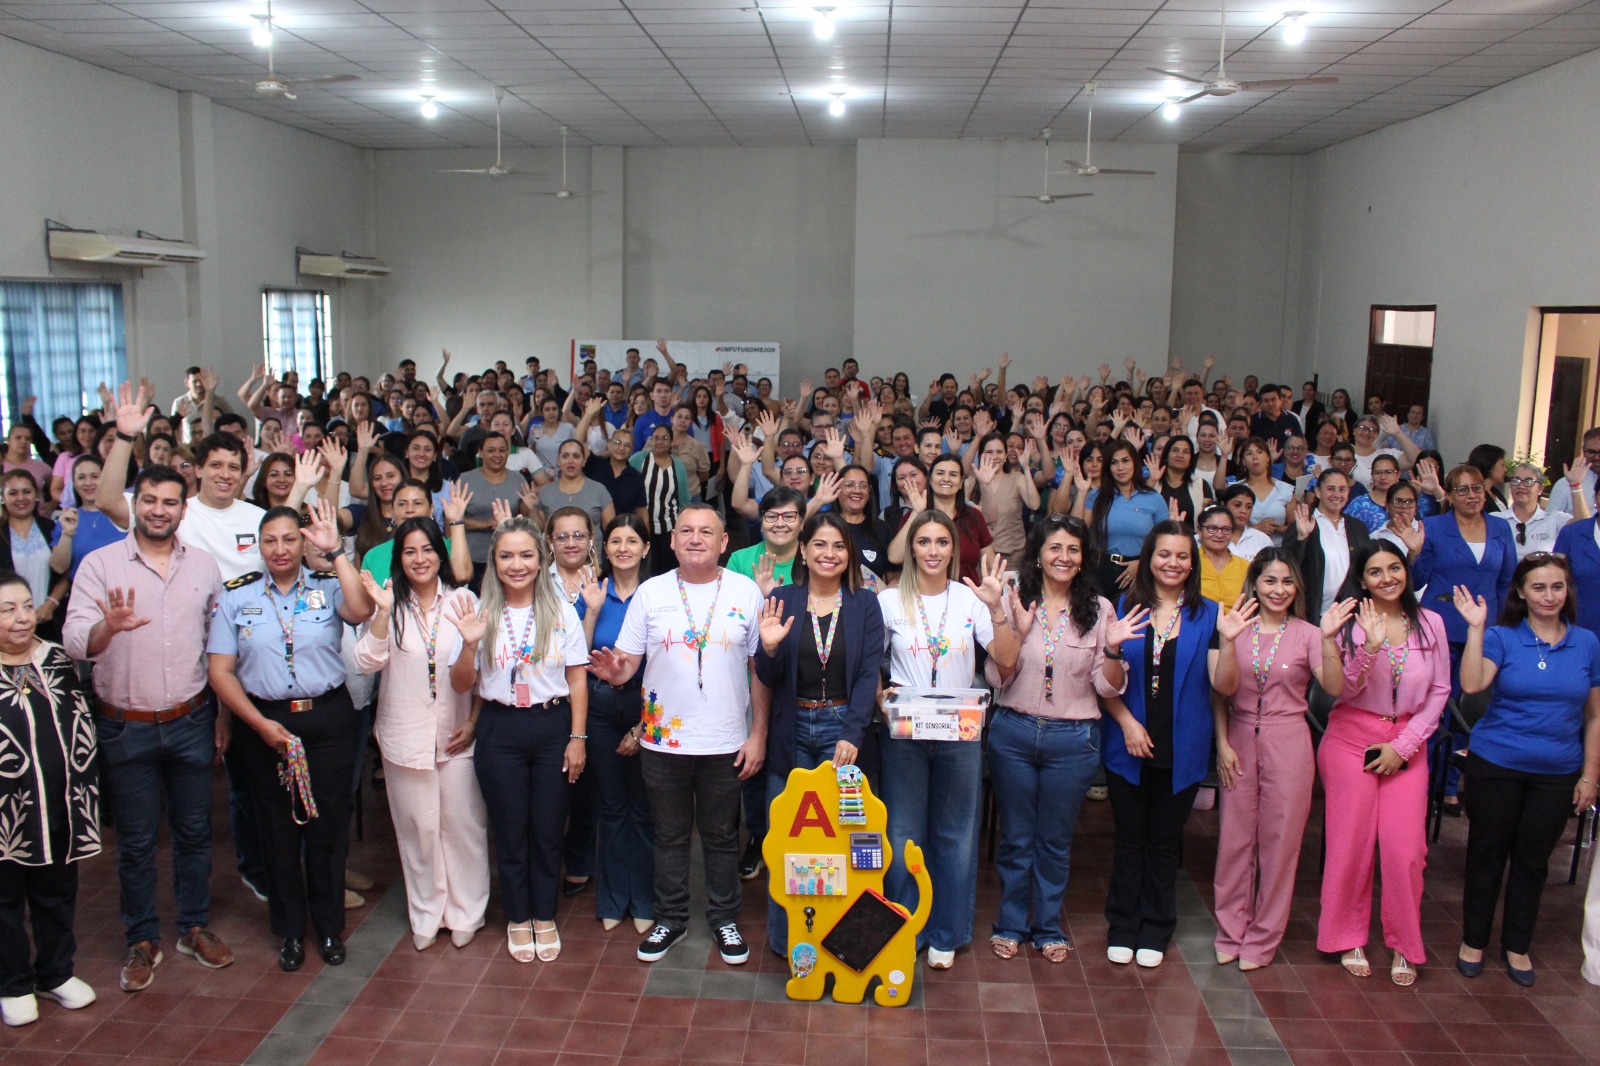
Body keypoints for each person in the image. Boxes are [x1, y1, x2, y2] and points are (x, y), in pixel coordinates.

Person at [61, 462, 234, 993]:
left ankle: (193, 926)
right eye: (150, 500)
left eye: (170, 502)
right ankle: (141, 937)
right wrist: (105, 628)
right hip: (125, 726)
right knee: (135, 842)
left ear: (185, 509)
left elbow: (220, 645)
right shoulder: (100, 564)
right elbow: (72, 641)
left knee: (194, 834)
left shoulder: (204, 567)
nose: (159, 510)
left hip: (191, 719)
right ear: (137, 504)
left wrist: (224, 712)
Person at [588, 504, 768, 965]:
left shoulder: (746, 591)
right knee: (669, 835)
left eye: (706, 532)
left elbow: (759, 671)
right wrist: (614, 672)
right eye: (685, 531)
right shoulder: (651, 593)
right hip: (662, 741)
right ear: (671, 542)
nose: (695, 539)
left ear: (724, 542)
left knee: (721, 836)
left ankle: (724, 918)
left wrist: (758, 734)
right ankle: (670, 917)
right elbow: (626, 662)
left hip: (726, 739)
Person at [207, 502, 374, 972]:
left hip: (327, 721)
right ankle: (289, 931)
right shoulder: (237, 595)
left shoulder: (326, 585)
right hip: (263, 722)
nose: (280, 549)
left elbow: (361, 610)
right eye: (270, 540)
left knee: (326, 829)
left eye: (289, 539)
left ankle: (327, 927)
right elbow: (220, 671)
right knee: (276, 832)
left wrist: (335, 551)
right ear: (258, 546)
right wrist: (258, 725)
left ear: (303, 544)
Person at [984, 515, 1138, 963]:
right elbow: (998, 674)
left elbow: (1107, 687)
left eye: (1073, 549)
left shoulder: (1101, 609)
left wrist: (1111, 649)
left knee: (1053, 840)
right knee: (1016, 839)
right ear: (1038, 553)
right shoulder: (1013, 599)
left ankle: (1047, 926)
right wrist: (1017, 630)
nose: (1063, 557)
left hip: (1073, 739)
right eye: (1055, 548)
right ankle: (1011, 923)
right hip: (1013, 731)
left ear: (1083, 556)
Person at [878, 511, 1017, 969]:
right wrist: (881, 697)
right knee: (901, 833)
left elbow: (1007, 660)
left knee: (955, 835)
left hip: (959, 732)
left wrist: (996, 607)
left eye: (942, 542)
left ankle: (946, 931)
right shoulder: (888, 601)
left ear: (954, 549)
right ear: (911, 548)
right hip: (903, 733)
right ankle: (902, 926)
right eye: (924, 542)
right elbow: (867, 666)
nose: (933, 551)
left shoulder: (971, 599)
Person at [1453, 557, 1600, 986]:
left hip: (1557, 772)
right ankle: (1473, 941)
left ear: (1567, 591)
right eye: (1539, 588)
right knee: (1487, 854)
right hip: (1497, 763)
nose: (1549, 596)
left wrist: (1590, 775)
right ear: (1521, 592)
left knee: (1534, 862)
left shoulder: (1587, 642)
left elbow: (1594, 717)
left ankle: (1517, 945)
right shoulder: (1502, 636)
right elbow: (1472, 684)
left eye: (1557, 587)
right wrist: (1476, 629)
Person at [1210, 550, 1352, 970]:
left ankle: (1262, 938)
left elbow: (1334, 686)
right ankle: (1230, 931)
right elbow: (1222, 689)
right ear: (1254, 583)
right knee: (1235, 839)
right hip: (1237, 736)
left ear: (1298, 588)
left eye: (1287, 582)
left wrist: (1328, 640)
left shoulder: (1309, 633)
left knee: (1280, 842)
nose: (1278, 590)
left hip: (1289, 738)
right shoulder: (1234, 624)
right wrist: (1221, 743)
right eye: (1269, 581)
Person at [354, 518, 490, 953]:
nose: (420, 559)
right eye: (410, 552)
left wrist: (469, 647)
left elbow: (473, 678)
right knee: (418, 831)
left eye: (428, 549)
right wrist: (379, 613)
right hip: (404, 735)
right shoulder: (388, 604)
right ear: (399, 559)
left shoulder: (463, 600)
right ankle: (427, 913)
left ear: (441, 553)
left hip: (455, 735)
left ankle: (467, 912)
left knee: (463, 827)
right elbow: (365, 663)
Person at [753, 513, 885, 955]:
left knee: (846, 838)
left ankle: (840, 939)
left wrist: (853, 732)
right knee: (787, 837)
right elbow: (769, 675)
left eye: (839, 546)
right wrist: (768, 647)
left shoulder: (865, 604)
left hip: (842, 731)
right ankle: (786, 938)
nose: (829, 554)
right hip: (791, 729)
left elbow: (868, 675)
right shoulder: (784, 599)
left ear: (849, 555)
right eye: (820, 545)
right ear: (804, 551)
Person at [1317, 543, 1448, 986]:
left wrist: (1405, 746)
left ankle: (1404, 943)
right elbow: (1344, 689)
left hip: (1406, 744)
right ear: (1362, 579)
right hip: (1351, 739)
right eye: (1375, 571)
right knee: (1350, 845)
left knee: (1405, 849)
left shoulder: (1431, 623)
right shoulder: (1349, 623)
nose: (1387, 577)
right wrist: (1369, 647)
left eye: (1395, 567)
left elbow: (1441, 692)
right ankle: (1347, 935)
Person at [1098, 520, 1219, 968]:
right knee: (1130, 839)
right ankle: (1123, 925)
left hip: (1182, 747)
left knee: (1165, 842)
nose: (1173, 563)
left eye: (1182, 555)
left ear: (1193, 563)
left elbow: (1222, 685)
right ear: (1149, 558)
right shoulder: (1124, 606)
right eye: (1164, 554)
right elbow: (1103, 681)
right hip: (1126, 743)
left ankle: (1156, 927)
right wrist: (1127, 723)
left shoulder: (1210, 614)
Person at [472, 514, 589, 963]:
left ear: (541, 560)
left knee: (546, 828)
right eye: (506, 556)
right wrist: (467, 645)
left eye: (525, 555)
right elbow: (467, 682)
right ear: (494, 562)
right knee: (510, 828)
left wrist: (577, 737)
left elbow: (577, 679)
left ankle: (544, 914)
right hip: (500, 728)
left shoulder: (560, 611)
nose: (516, 565)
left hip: (551, 728)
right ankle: (518, 916)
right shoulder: (480, 611)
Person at [0, 571, 101, 1027]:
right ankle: (13, 983)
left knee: (57, 892)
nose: (22, 619)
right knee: (4, 900)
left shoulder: (57, 658)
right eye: (7, 611)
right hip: (6, 815)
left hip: (60, 805)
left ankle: (56, 972)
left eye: (26, 606)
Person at [1409, 463, 1518, 814]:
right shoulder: (1435, 527)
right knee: (1433, 708)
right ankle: (1421, 782)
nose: (1472, 496)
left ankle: (1451, 784)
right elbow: (1415, 580)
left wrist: (1501, 629)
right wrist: (1413, 551)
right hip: (1438, 631)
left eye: (1477, 488)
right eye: (1463, 490)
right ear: (1450, 497)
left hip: (1481, 635)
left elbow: (1507, 582)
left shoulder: (1500, 527)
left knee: (1468, 711)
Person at [575, 514, 655, 935]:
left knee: (643, 810)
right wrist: (590, 611)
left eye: (632, 541)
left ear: (645, 548)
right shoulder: (592, 593)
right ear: (604, 549)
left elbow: (667, 665)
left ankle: (644, 899)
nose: (623, 548)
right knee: (611, 807)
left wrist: (643, 727)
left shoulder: (660, 593)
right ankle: (612, 899)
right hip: (602, 707)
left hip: (649, 709)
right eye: (615, 541)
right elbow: (577, 656)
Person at [1075, 440, 1166, 597]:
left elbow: (1164, 540)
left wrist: (1142, 564)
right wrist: (1082, 493)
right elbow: (1077, 530)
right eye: (1114, 462)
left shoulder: (1153, 498)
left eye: (1125, 461)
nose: (1120, 468)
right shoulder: (1096, 495)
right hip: (1100, 569)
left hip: (1139, 570)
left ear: (1135, 463)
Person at [888, 455, 994, 588]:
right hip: (924, 598)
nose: (946, 479)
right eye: (940, 473)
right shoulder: (917, 515)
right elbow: (895, 557)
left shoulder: (974, 516)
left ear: (961, 482)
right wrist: (916, 513)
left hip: (968, 600)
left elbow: (990, 566)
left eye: (953, 474)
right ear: (930, 480)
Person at [1282, 470, 1371, 618]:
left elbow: (1366, 567)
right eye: (1330, 489)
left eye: (1342, 489)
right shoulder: (1303, 523)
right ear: (1317, 492)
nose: (1337, 494)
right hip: (1311, 614)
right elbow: (1287, 567)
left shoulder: (1357, 527)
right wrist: (1302, 537)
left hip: (1349, 615)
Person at [454, 433, 536, 588]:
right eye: (491, 450)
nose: (497, 455)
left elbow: (522, 517)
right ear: (481, 452)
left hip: (509, 558)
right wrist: (484, 523)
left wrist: (528, 507)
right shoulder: (465, 480)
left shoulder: (518, 479)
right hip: (474, 556)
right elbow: (453, 519)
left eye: (502, 450)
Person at [0, 471, 67, 641]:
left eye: (26, 491)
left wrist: (51, 603)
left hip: (50, 620)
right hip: (8, 627)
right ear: (3, 497)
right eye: (13, 493)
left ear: (36, 495)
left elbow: (67, 572)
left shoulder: (52, 528)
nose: (21, 498)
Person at [48, 456, 124, 582]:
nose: (88, 483)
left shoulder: (122, 514)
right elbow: (59, 567)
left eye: (94, 476)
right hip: (83, 595)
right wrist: (67, 533)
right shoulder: (68, 519)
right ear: (73, 482)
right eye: (81, 477)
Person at [631, 425, 690, 576]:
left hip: (669, 526)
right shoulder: (639, 459)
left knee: (668, 569)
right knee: (644, 568)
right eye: (656, 437)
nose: (660, 442)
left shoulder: (678, 466)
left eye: (665, 438)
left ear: (672, 441)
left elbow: (684, 500)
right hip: (642, 527)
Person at [1492, 462, 1578, 561]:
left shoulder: (1554, 519)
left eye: (1529, 482)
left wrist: (1576, 486)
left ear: (1540, 488)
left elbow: (1584, 526)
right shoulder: (1495, 519)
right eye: (1516, 481)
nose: (1521, 486)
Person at [537, 440, 613, 530]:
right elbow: (541, 530)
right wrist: (532, 508)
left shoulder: (599, 490)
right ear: (558, 461)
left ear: (584, 461)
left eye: (576, 456)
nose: (570, 461)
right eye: (565, 456)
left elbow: (611, 531)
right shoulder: (545, 492)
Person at [1196, 505, 1249, 607]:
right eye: (1212, 528)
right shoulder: (1190, 563)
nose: (1219, 535)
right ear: (1199, 530)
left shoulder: (1245, 566)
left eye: (1226, 529)